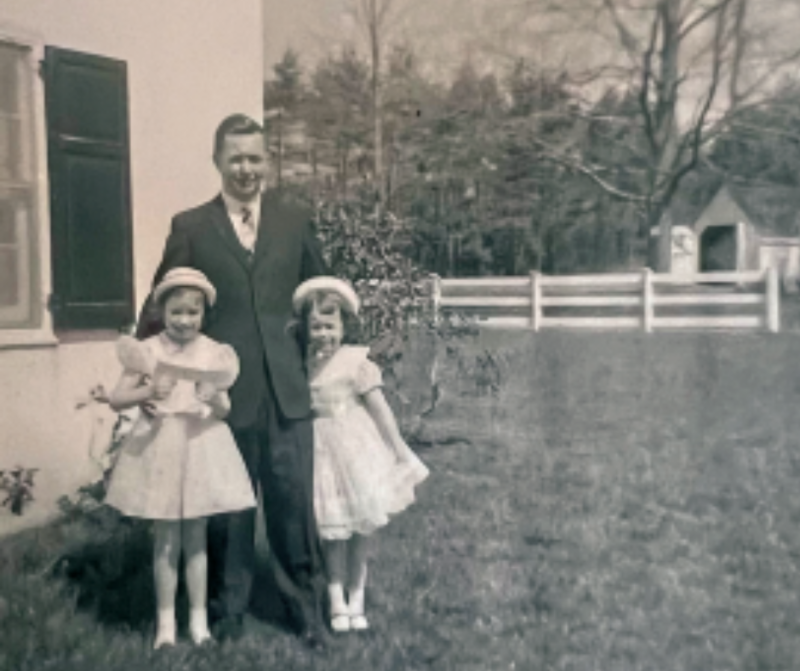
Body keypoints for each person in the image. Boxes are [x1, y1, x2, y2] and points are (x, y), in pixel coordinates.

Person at [136, 114, 328, 645]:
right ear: (217, 161)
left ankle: (305, 611)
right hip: (217, 398)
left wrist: (330, 358)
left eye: (255, 157)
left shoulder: (294, 221)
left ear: (267, 161)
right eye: (236, 158)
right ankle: (227, 611)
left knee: (293, 505)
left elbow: (323, 292)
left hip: (287, 391)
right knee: (228, 509)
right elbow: (158, 308)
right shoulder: (192, 227)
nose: (246, 169)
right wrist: (146, 381)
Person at [105, 268, 256, 649]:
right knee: (166, 539)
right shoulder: (148, 351)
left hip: (201, 446)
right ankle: (166, 624)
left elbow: (224, 409)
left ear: (203, 313)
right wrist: (148, 392)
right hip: (162, 448)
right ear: (162, 311)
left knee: (197, 537)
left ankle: (199, 620)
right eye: (177, 313)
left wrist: (213, 396)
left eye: (193, 312)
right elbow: (116, 398)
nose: (185, 321)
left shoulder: (213, 353)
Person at [291, 277, 429, 633]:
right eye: (316, 327)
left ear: (344, 325)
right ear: (306, 329)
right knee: (332, 532)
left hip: (356, 450)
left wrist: (400, 451)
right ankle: (336, 600)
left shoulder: (356, 362)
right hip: (321, 454)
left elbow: (381, 411)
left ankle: (357, 598)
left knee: (361, 529)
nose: (324, 335)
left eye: (331, 326)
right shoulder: (302, 366)